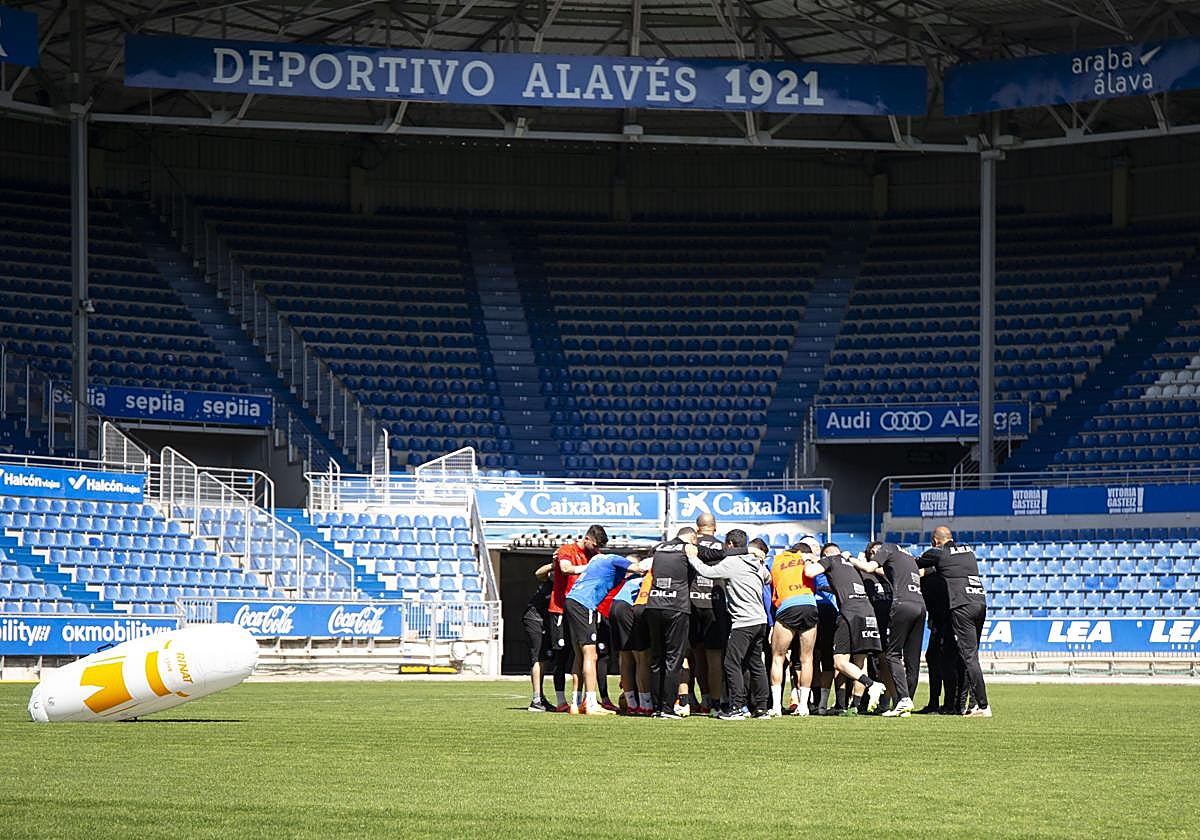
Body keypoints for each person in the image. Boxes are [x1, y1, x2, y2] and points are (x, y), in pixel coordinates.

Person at [685, 529, 771, 721]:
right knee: (756, 664)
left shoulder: (732, 562)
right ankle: (762, 708)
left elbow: (707, 572)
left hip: (743, 622)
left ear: (730, 545)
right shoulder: (757, 563)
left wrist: (692, 557)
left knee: (731, 663)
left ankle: (736, 707)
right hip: (760, 621)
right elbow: (768, 578)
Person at [918, 526, 991, 717]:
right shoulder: (968, 551)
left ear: (935, 541)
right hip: (979, 602)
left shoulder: (939, 553)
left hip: (961, 605)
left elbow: (915, 564)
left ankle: (982, 705)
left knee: (967, 658)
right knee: (970, 657)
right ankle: (972, 704)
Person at [564, 550, 648, 716]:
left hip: (572, 600)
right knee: (591, 655)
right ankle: (590, 704)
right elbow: (640, 569)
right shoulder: (615, 560)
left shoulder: (598, 559)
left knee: (579, 656)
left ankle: (575, 703)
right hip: (584, 603)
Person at [805, 542, 886, 715]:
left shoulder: (830, 560)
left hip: (849, 613)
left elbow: (809, 572)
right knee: (860, 661)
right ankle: (855, 707)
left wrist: (808, 560)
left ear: (826, 555)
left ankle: (871, 685)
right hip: (868, 611)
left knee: (839, 662)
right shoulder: (852, 564)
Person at [853, 541, 927, 717]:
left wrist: (850, 559)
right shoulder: (906, 557)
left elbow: (870, 568)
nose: (876, 554)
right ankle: (906, 702)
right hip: (920, 605)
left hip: (902, 605)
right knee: (912, 660)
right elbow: (920, 572)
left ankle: (903, 699)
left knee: (892, 655)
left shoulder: (888, 548)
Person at [548, 524, 608, 712]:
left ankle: (576, 702)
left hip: (582, 609)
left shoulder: (594, 555)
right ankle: (561, 701)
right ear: (587, 539)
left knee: (581, 654)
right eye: (595, 545)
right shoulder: (567, 549)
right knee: (561, 656)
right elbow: (565, 568)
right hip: (560, 608)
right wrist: (591, 567)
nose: (596, 550)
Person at [640, 527, 696, 719]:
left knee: (657, 659)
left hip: (654, 605)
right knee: (673, 659)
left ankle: (657, 708)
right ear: (692, 538)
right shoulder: (686, 549)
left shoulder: (659, 547)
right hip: (676, 607)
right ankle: (667, 708)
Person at [767, 539, 819, 717]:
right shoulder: (808, 559)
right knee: (807, 659)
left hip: (787, 606)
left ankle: (776, 706)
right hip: (809, 604)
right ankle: (804, 706)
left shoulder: (776, 560)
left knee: (778, 657)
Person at [692, 512, 727, 712]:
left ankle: (697, 699)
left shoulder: (690, 546)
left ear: (697, 528)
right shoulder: (723, 547)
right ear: (715, 527)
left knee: (694, 655)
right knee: (714, 657)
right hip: (715, 605)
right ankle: (716, 703)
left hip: (692, 603)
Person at [609, 568, 653, 715]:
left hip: (615, 606)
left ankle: (631, 704)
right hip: (629, 608)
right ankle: (646, 704)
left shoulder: (633, 579)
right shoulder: (652, 579)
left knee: (626, 658)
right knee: (642, 658)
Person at [523, 563, 556, 712]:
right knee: (537, 657)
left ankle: (541, 698)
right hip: (534, 619)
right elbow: (538, 573)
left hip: (546, 621)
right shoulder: (549, 580)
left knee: (544, 659)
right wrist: (554, 564)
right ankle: (536, 699)